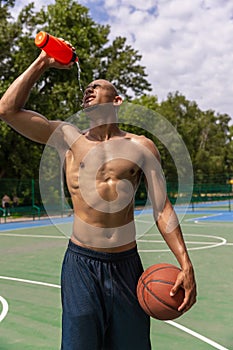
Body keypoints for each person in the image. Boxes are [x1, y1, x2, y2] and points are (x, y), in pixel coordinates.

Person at [0, 48, 197, 350]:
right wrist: (43, 62)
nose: (89, 89)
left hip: (126, 265)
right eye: (87, 87)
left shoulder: (142, 146)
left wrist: (185, 263)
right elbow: (7, 110)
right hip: (81, 265)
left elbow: (162, 208)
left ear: (116, 100)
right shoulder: (67, 137)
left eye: (98, 85)